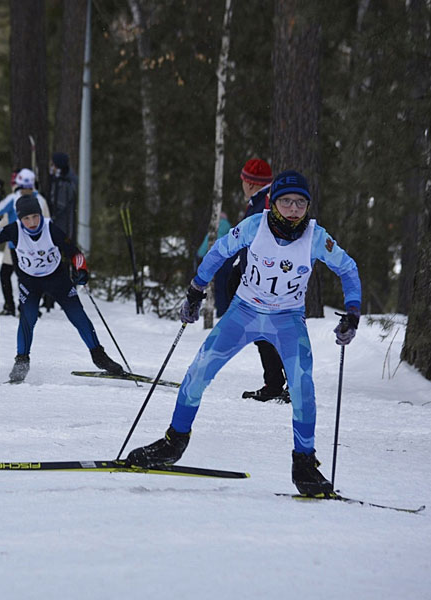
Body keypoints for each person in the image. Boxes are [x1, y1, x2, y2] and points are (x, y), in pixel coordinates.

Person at [125, 170, 361, 496]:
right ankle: (174, 442)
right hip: (243, 313)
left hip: (287, 320)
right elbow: (219, 251)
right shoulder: (255, 225)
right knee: (198, 372)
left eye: (300, 203)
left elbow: (347, 268)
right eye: (286, 201)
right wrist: (196, 291)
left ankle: (304, 464)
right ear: (274, 203)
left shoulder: (316, 236)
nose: (294, 209)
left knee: (303, 387)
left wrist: (352, 313)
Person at [0, 194, 124, 383]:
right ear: (20, 219)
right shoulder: (14, 230)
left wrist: (81, 270)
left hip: (57, 279)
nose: (31, 222)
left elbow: (75, 253)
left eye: (35, 216)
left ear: (40, 214)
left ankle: (99, 356)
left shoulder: (51, 229)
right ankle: (21, 361)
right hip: (30, 282)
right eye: (26, 218)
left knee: (78, 316)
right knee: (27, 319)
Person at [230, 158, 289, 403]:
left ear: (250, 182)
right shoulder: (262, 201)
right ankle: (275, 383)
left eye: (244, 180)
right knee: (264, 333)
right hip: (261, 278)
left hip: (265, 281)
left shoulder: (264, 204)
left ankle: (281, 384)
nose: (242, 184)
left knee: (268, 332)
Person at [0, 168, 51, 316]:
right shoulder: (27, 198)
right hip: (19, 244)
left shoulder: (21, 198)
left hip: (24, 244)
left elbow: (46, 221)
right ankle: (15, 306)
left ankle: (24, 307)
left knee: (24, 277)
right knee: (14, 275)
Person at [196, 211, 233, 317]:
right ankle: (227, 310)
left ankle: (221, 312)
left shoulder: (215, 227)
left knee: (219, 287)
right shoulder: (229, 227)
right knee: (227, 287)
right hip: (228, 260)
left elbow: (208, 242)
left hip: (217, 261)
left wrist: (200, 254)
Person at [48, 152, 79, 241]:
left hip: (62, 227)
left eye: (53, 165)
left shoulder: (65, 184)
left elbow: (59, 205)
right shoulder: (61, 181)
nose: (51, 167)